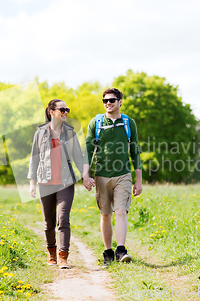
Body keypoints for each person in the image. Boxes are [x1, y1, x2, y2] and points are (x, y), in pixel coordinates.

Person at [83, 88, 142, 266]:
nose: (108, 103)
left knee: (121, 211)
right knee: (106, 214)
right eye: (105, 101)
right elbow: (87, 150)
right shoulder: (96, 123)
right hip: (101, 175)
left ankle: (121, 250)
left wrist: (138, 180)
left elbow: (135, 151)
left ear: (120, 101)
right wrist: (85, 175)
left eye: (112, 100)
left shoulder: (128, 123)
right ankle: (108, 252)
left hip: (123, 174)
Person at [27, 99, 88, 269]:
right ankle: (51, 253)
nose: (66, 112)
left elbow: (78, 157)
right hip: (45, 182)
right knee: (48, 222)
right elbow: (34, 159)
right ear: (51, 112)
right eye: (62, 109)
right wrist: (32, 183)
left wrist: (86, 177)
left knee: (63, 219)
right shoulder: (40, 133)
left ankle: (63, 257)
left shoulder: (70, 134)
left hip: (65, 182)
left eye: (67, 109)